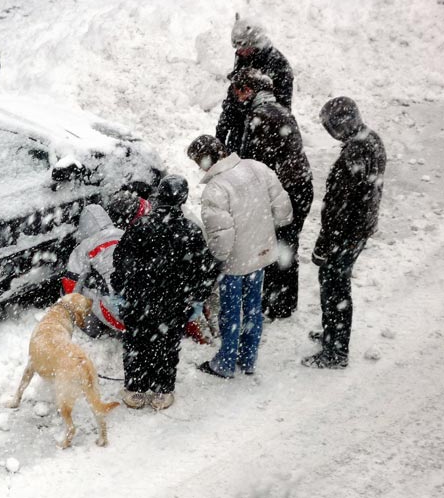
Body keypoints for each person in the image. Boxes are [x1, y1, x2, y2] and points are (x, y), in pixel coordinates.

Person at [186, 135, 293, 378]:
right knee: (254, 308)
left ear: (204, 161)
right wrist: (262, 233)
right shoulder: (256, 167)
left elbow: (221, 237)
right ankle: (248, 358)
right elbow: (283, 210)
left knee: (231, 313)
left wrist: (217, 259)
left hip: (235, 262)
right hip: (261, 254)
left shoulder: (216, 189)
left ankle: (225, 362)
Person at [110, 175, 218, 410]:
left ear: (159, 195)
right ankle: (162, 390)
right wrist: (197, 296)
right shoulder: (191, 231)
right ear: (183, 198)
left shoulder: (140, 226)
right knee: (167, 346)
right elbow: (206, 269)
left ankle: (136, 389)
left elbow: (121, 261)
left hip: (139, 300)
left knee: (136, 344)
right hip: (175, 303)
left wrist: (119, 289)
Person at [303, 97, 386, 369]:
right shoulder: (372, 139)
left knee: (334, 288)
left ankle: (335, 351)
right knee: (336, 286)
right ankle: (332, 336)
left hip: (345, 235)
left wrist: (324, 245)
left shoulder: (353, 155)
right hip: (360, 228)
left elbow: (336, 210)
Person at [231, 68, 313, 320]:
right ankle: (285, 301)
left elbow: (254, 165)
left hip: (284, 193)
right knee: (287, 244)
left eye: (238, 91)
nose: (236, 97)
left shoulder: (260, 117)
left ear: (248, 90)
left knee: (276, 245)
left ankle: (275, 304)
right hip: (300, 189)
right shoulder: (279, 110)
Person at [216, 14, 294, 153]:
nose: (238, 50)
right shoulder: (243, 57)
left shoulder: (278, 65)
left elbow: (282, 110)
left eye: (243, 44)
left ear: (256, 42)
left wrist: (259, 133)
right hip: (239, 132)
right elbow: (232, 99)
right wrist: (220, 136)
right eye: (236, 44)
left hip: (263, 136)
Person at [61, 204, 126, 336]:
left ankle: (93, 329)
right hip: (143, 308)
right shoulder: (123, 234)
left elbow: (70, 286)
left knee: (76, 287)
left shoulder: (85, 246)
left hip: (118, 317)